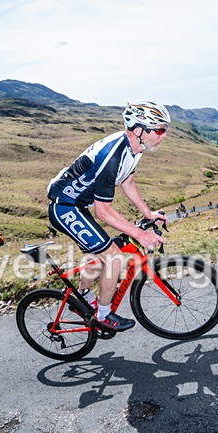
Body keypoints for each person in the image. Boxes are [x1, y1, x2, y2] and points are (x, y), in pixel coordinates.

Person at [47, 99, 169, 332]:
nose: (163, 136)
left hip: (78, 205)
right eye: (159, 130)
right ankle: (104, 315)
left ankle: (81, 298)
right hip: (65, 206)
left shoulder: (135, 148)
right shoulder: (112, 155)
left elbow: (127, 181)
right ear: (138, 130)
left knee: (98, 256)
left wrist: (148, 214)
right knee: (113, 257)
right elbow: (102, 211)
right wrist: (139, 233)